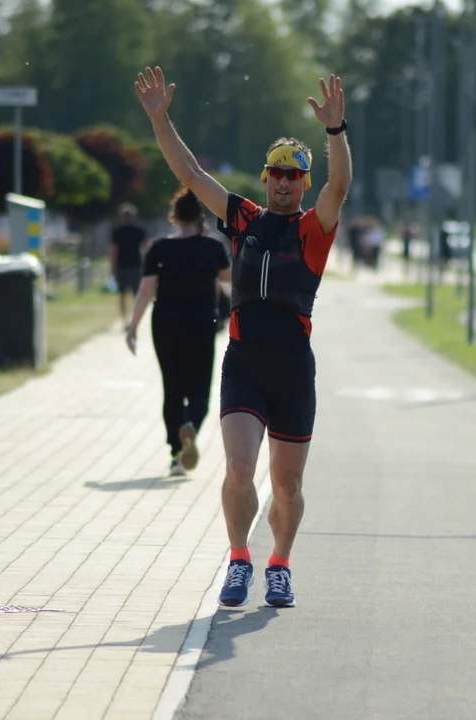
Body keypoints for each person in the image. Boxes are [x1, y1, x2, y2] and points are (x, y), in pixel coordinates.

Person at [135, 66, 352, 608]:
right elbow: (186, 169)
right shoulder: (242, 218)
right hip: (244, 364)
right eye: (276, 174)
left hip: (293, 370)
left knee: (287, 488)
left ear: (302, 183)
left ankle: (280, 563)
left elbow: (341, 185)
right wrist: (162, 119)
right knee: (237, 468)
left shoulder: (313, 229)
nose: (284, 183)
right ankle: (238, 558)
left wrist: (335, 131)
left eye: (294, 176)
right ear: (265, 178)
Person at [125, 187, 232, 477]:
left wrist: (132, 327)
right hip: (200, 323)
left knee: (172, 388)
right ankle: (192, 426)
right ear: (201, 217)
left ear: (173, 217)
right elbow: (227, 282)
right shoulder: (213, 247)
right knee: (199, 390)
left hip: (165, 323)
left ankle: (175, 452)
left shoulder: (158, 248)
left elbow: (146, 290)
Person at [110, 203, 148, 321]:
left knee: (122, 294)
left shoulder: (117, 232)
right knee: (136, 294)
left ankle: (124, 319)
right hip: (135, 265)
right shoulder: (139, 231)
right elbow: (146, 248)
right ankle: (134, 318)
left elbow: (114, 251)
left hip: (122, 266)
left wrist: (113, 268)